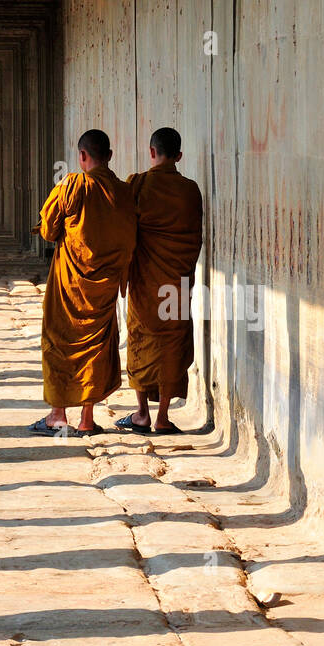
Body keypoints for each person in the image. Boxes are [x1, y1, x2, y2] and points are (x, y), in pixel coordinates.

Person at [31, 129, 136, 437]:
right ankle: (87, 419)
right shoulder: (125, 191)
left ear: (82, 157)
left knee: (60, 343)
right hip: (104, 287)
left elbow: (49, 231)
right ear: (110, 156)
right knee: (96, 348)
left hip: (70, 286)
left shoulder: (73, 185)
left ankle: (58, 415)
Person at [117, 127, 203, 435]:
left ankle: (141, 414)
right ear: (179, 156)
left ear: (152, 153)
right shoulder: (191, 190)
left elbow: (123, 231)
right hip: (176, 281)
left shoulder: (137, 186)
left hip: (144, 279)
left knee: (141, 339)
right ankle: (163, 416)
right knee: (172, 341)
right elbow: (194, 237)